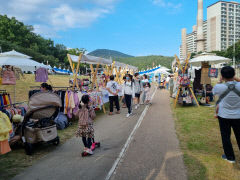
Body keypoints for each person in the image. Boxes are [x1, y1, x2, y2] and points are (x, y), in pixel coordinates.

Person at [213, 66, 240, 163]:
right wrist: (234, 77)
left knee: (225, 136)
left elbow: (214, 92)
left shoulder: (218, 87)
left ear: (222, 76)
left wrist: (221, 81)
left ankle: (230, 157)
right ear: (234, 74)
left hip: (224, 115)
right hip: (238, 115)